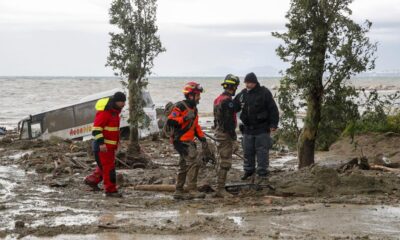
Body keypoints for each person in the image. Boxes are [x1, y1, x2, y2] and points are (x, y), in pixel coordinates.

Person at [167, 82, 210, 200]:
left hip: (188, 141)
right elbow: (170, 121)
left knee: (183, 165)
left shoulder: (194, 109)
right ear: (191, 95)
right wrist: (184, 118)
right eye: (198, 95)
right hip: (181, 141)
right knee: (194, 163)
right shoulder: (180, 106)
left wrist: (203, 139)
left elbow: (195, 126)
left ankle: (179, 190)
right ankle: (192, 190)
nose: (199, 97)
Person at [234, 72, 279, 181]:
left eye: (249, 83)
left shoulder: (264, 92)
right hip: (247, 130)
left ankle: (262, 173)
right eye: (246, 82)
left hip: (262, 129)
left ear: (254, 82)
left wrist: (274, 124)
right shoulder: (242, 94)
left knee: (262, 152)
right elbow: (234, 106)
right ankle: (248, 171)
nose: (247, 85)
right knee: (247, 152)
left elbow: (273, 109)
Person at [84, 91, 126, 198]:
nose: (124, 104)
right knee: (109, 169)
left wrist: (117, 143)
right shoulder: (105, 112)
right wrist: (101, 144)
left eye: (124, 101)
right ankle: (110, 191)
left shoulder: (115, 113)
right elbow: (96, 130)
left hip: (109, 147)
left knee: (104, 167)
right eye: (122, 101)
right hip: (103, 147)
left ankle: (92, 180)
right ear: (116, 101)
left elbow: (113, 131)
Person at [212, 74, 240, 198]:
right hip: (225, 135)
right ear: (233, 87)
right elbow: (229, 122)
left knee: (220, 160)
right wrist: (234, 139)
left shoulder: (217, 99)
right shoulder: (228, 101)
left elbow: (216, 119)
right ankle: (220, 189)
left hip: (218, 132)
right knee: (225, 161)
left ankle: (219, 186)